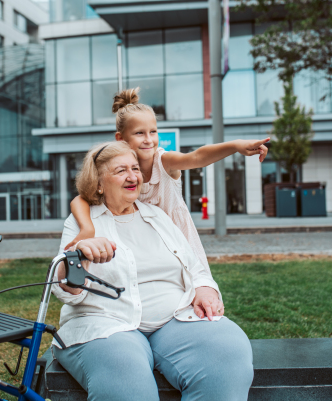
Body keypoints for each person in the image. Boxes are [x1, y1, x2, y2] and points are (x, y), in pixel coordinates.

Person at [51, 141, 254, 401]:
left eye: (135, 168)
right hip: (106, 324)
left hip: (175, 319)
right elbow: (64, 290)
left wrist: (204, 287)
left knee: (228, 352)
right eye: (121, 170)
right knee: (125, 375)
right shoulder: (83, 222)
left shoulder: (156, 216)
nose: (132, 176)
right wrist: (81, 254)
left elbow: (194, 266)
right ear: (99, 183)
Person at [66, 87, 269, 293]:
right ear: (121, 138)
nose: (148, 139)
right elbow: (80, 199)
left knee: (194, 289)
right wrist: (87, 229)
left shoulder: (163, 161)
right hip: (145, 243)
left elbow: (197, 157)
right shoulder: (119, 170)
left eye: (153, 132)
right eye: (139, 133)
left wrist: (235, 146)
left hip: (175, 240)